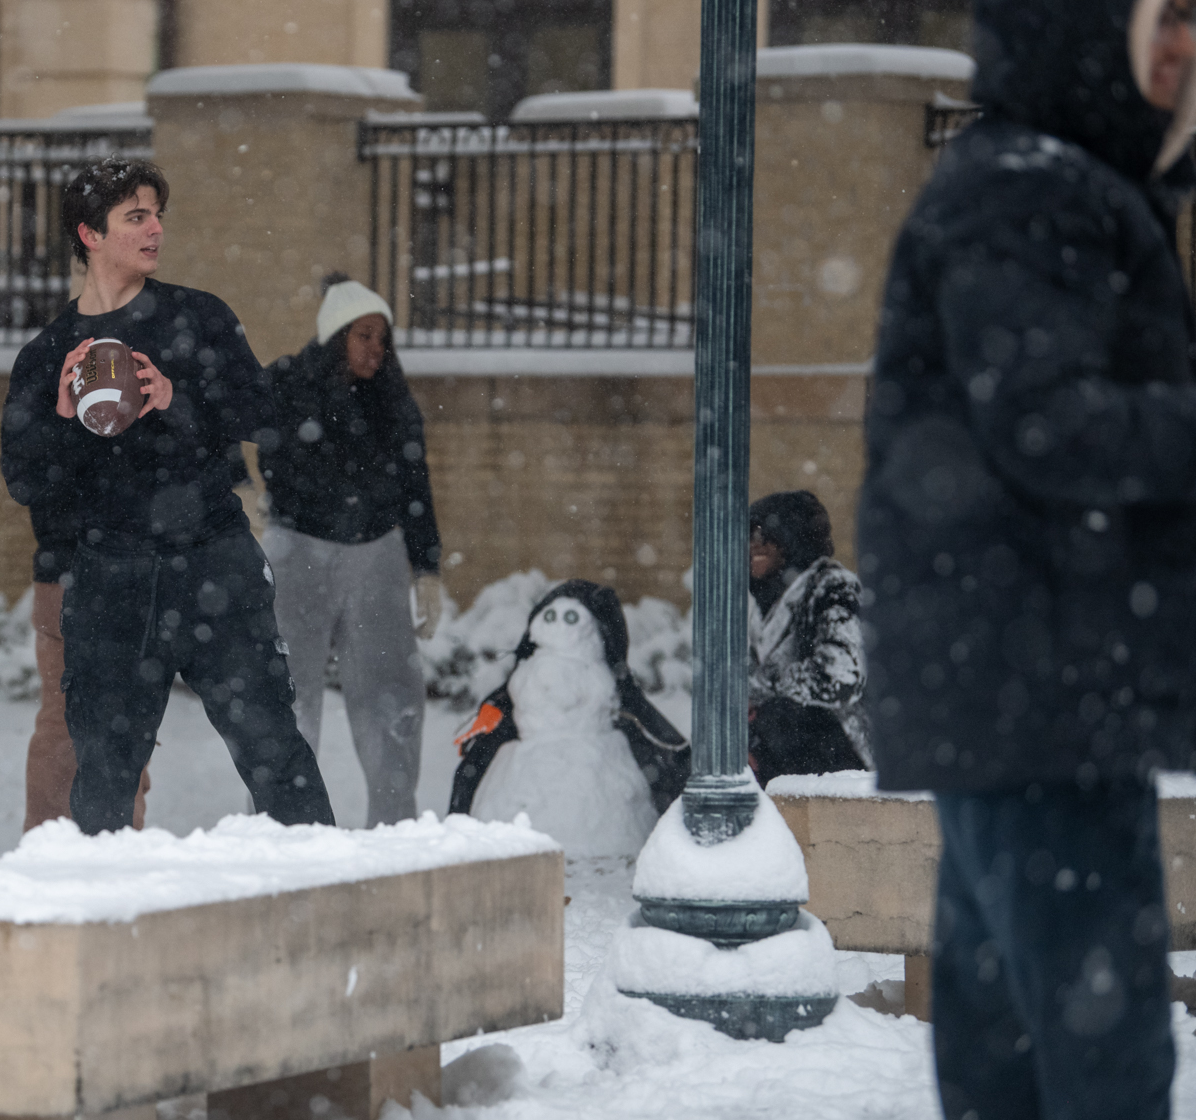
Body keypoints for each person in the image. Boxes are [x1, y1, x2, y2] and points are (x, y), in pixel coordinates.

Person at [858, 0, 1196, 1120]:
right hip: (1040, 690)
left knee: (1007, 1038)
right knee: (1104, 1044)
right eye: (1163, 15)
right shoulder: (1031, 193)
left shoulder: (1049, 180)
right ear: (1088, 25)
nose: (1183, 46)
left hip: (1010, 685)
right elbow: (1049, 424)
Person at [0, 157, 336, 835]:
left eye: (158, 215)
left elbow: (267, 419)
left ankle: (328, 902)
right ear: (90, 234)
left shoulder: (198, 318)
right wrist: (64, 423)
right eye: (136, 217)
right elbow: (25, 481)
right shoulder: (48, 354)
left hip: (214, 562)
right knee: (103, 778)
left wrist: (182, 398)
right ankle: (101, 925)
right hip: (109, 580)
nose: (156, 229)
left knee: (273, 749)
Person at [254, 273, 444, 826]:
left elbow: (415, 482)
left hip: (378, 553)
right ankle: (277, 828)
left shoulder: (393, 400)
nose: (375, 349)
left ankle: (393, 830)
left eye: (382, 338)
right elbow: (215, 423)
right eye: (363, 335)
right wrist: (238, 494)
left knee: (392, 701)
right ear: (336, 335)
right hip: (298, 551)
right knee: (285, 699)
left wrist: (426, 565)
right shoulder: (288, 384)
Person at [448, 579, 689, 828]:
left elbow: (609, 696)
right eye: (551, 616)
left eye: (571, 618)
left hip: (594, 764)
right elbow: (514, 694)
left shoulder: (598, 673)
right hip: (527, 765)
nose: (560, 626)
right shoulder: (529, 666)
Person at [19, 489, 149, 831]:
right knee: (111, 726)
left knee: (68, 724)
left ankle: (52, 842)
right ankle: (103, 847)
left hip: (64, 572)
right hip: (103, 573)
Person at [745, 489, 870, 786]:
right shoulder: (760, 603)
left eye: (760, 537)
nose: (750, 547)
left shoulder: (833, 587)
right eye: (747, 537)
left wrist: (762, 686)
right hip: (785, 764)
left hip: (840, 767)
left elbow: (840, 677)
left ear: (789, 540)